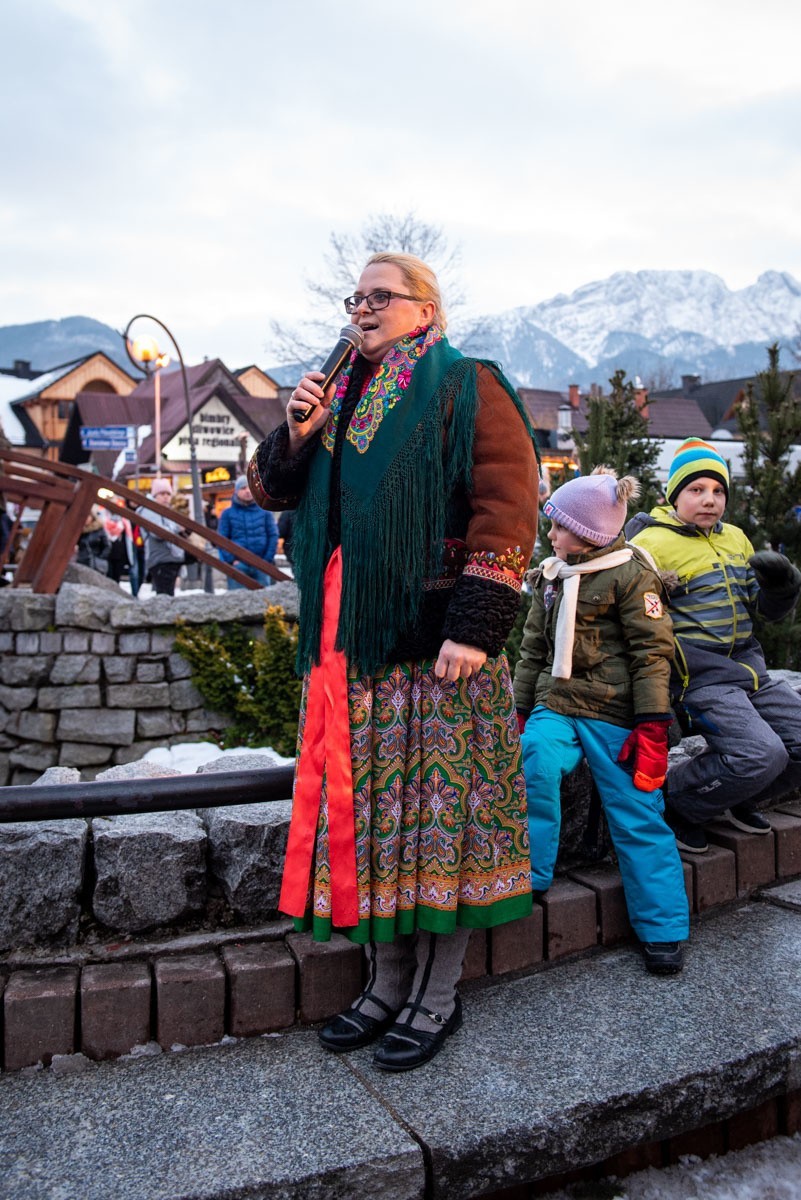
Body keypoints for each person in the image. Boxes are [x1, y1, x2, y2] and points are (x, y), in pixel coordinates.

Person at [247, 252, 539, 1071]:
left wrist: (476, 625)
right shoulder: (334, 395)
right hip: (350, 652)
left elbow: (508, 508)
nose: (363, 309)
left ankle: (434, 999)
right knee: (374, 829)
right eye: (357, 297)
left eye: (381, 297)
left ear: (424, 309)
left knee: (436, 830)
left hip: (435, 648)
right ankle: (384, 986)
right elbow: (272, 493)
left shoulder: (466, 384)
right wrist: (295, 434)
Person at [514, 467, 689, 975]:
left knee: (638, 810)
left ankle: (662, 928)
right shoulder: (551, 576)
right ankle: (533, 873)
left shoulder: (633, 575)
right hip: (557, 703)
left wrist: (653, 725)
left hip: (614, 710)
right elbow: (532, 651)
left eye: (559, 526)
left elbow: (651, 653)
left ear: (589, 532)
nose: (551, 535)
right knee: (537, 762)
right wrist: (523, 710)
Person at [627, 437, 801, 853]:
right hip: (699, 679)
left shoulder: (735, 538)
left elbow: (761, 609)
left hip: (750, 670)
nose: (709, 499)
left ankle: (736, 794)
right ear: (673, 496)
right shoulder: (651, 545)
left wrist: (782, 588)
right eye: (696, 490)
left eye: (718, 490)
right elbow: (635, 624)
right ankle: (678, 802)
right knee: (761, 753)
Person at [217, 476, 278, 589]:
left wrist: (266, 560)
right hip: (238, 565)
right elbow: (222, 539)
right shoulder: (227, 514)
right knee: (238, 601)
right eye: (243, 488)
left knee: (265, 601)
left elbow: (273, 535)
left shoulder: (265, 512)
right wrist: (231, 561)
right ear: (236, 491)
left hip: (262, 564)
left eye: (250, 488)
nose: (247, 491)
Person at [137, 477, 184, 596]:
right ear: (155, 495)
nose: (166, 497)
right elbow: (158, 533)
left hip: (169, 556)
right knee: (164, 595)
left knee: (167, 594)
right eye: (162, 493)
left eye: (168, 494)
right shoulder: (149, 510)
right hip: (160, 557)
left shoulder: (165, 510)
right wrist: (177, 528)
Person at [76, 507, 111, 575]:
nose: (86, 519)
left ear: (92, 517)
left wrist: (101, 557)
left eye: (88, 516)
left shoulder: (99, 529)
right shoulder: (79, 530)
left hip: (96, 562)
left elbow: (107, 545)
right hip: (82, 560)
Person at [103, 511, 134, 586]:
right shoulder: (103, 520)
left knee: (117, 577)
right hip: (107, 554)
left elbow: (129, 538)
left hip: (120, 554)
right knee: (108, 576)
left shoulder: (124, 522)